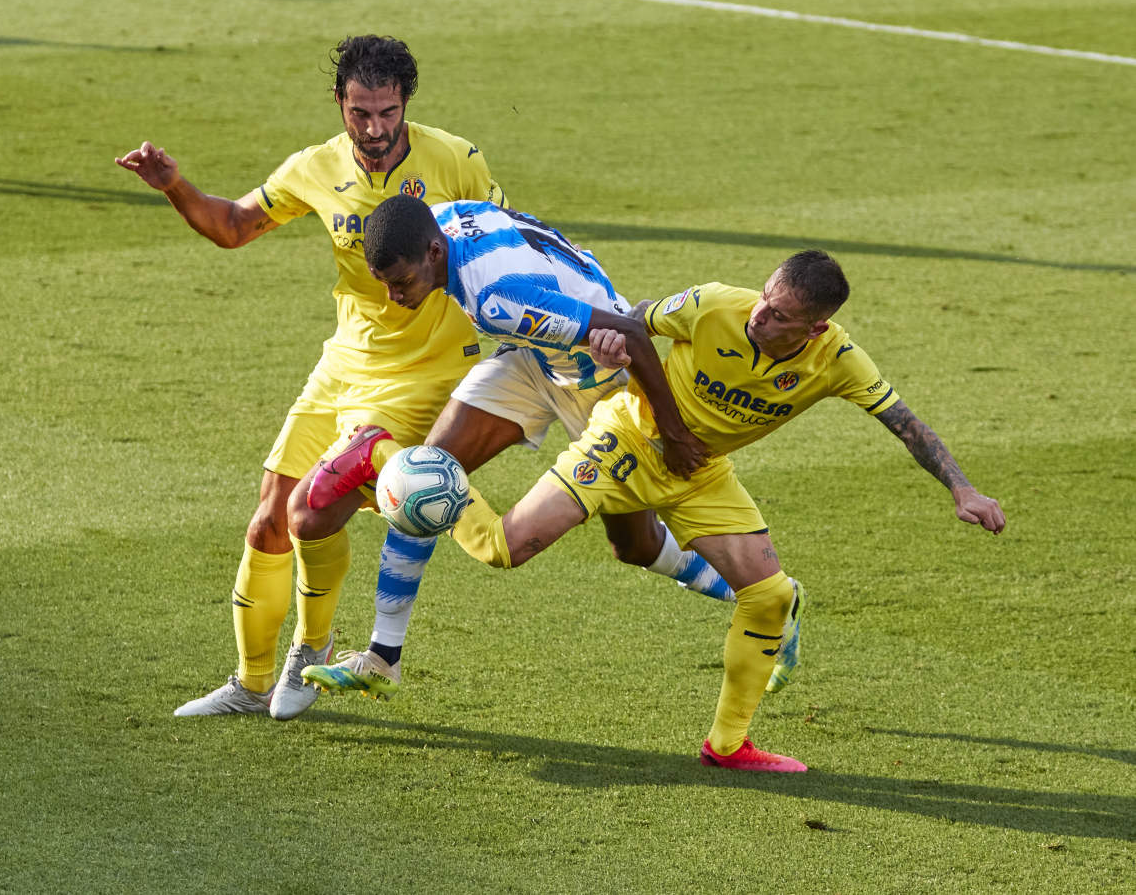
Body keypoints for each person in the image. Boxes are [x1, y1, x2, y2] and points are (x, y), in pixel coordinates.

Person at [310, 249, 1005, 771]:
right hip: (626, 439)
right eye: (763, 299)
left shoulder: (839, 361)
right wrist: (606, 342)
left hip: (701, 475)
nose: (759, 314)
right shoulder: (711, 304)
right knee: (501, 549)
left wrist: (960, 488)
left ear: (815, 328)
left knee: (766, 596)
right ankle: (385, 461)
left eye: (779, 315)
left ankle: (728, 746)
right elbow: (629, 327)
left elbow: (904, 422)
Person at [116, 35, 507, 720]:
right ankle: (249, 683)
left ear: (406, 104)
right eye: (360, 113)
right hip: (347, 361)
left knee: (312, 512)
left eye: (387, 112)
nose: (375, 128)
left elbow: (506, 243)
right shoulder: (314, 167)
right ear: (339, 104)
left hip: (429, 372)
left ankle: (311, 649)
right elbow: (234, 227)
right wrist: (175, 185)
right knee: (268, 520)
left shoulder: (457, 160)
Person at [287, 195, 780, 699]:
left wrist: (674, 434)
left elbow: (629, 332)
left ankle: (773, 605)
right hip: (537, 359)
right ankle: (381, 657)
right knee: (423, 476)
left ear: (434, 253)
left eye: (402, 282)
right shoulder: (447, 214)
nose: (394, 297)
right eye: (386, 284)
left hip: (604, 382)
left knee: (634, 545)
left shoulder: (494, 298)